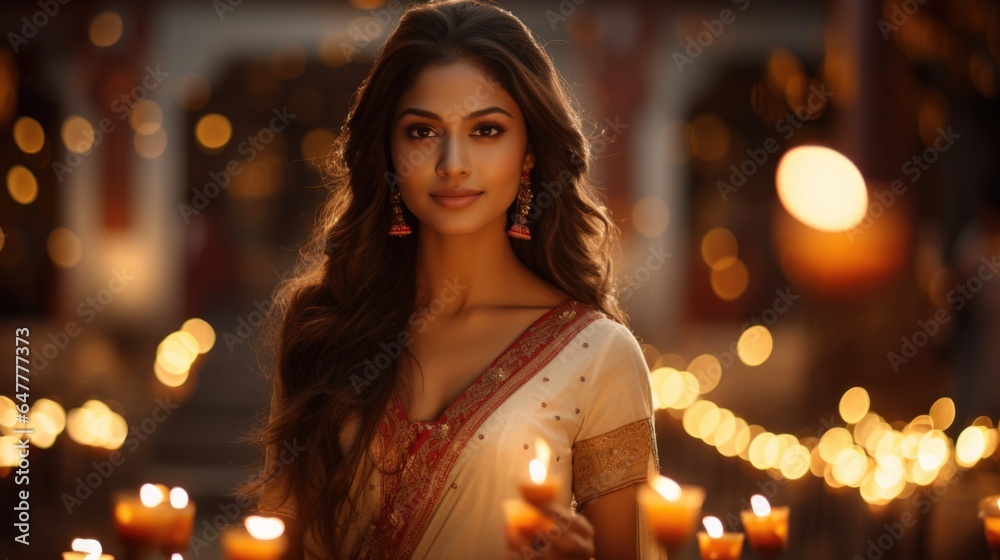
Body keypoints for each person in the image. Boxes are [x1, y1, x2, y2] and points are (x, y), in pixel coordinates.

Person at [240, 1, 665, 558]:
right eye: (422, 130)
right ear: (390, 152)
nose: (453, 162)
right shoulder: (324, 324)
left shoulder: (597, 355)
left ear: (530, 150)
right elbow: (278, 541)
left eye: (486, 129)